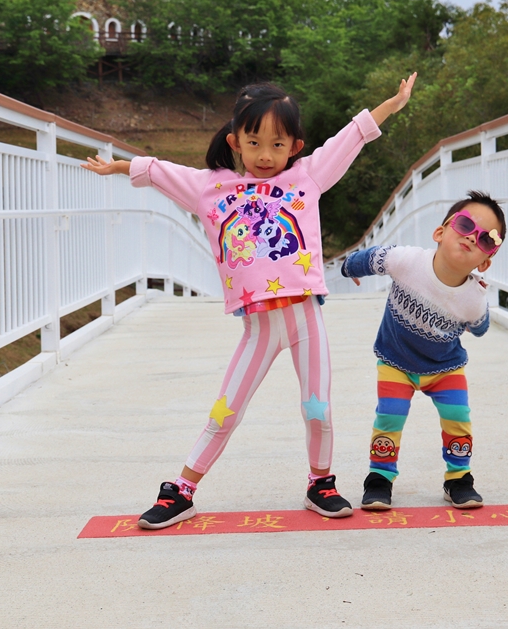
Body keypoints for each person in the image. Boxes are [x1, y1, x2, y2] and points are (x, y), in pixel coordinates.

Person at [81, 73, 417, 529]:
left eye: (277, 145)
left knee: (317, 408)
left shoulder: (308, 178)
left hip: (304, 320)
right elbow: (159, 170)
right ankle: (182, 490)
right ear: (235, 140)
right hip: (258, 327)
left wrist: (392, 105)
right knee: (226, 411)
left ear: (295, 146)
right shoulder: (210, 187)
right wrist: (118, 168)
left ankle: (321, 482)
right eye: (254, 142)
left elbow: (350, 137)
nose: (265, 155)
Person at [339, 191, 506, 511]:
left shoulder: (473, 297)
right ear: (440, 233)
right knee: (389, 418)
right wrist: (349, 268)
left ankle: (459, 478)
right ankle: (379, 477)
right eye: (465, 224)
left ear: (484, 262)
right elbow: (374, 257)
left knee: (458, 419)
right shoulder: (407, 260)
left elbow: (481, 326)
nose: (472, 237)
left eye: (486, 239)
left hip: (446, 367)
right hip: (396, 361)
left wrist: (478, 305)